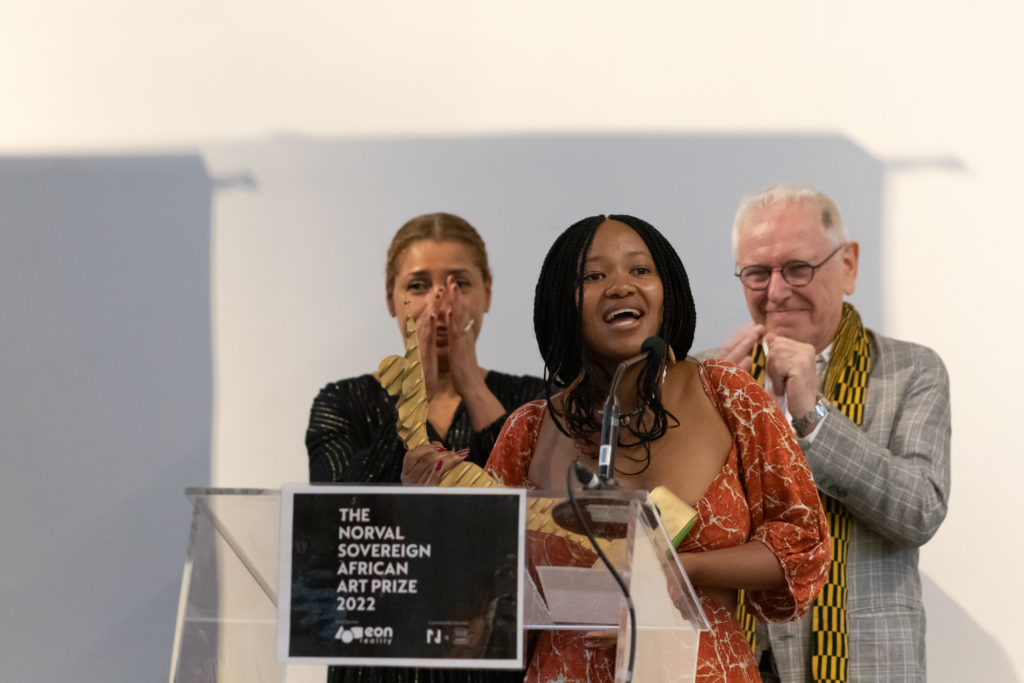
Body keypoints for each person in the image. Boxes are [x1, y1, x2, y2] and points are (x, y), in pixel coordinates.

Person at [409, 214, 831, 682]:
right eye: (593, 276)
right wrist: (432, 511)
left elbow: (801, 543)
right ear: (561, 301)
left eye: (640, 270)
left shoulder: (728, 395)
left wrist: (677, 569)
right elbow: (481, 597)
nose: (620, 286)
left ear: (667, 291)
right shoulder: (529, 429)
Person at [711, 185, 951, 682]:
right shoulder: (712, 377)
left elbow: (920, 511)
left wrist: (812, 415)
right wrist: (705, 415)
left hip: (862, 665)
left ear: (848, 266)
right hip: (735, 657)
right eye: (757, 273)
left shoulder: (911, 370)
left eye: (798, 268)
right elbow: (670, 527)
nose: (776, 291)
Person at [305, 212, 543, 683]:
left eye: (459, 285)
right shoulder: (343, 402)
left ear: (487, 293)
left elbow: (539, 519)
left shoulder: (531, 400)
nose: (440, 304)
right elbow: (335, 525)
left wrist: (471, 382)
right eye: (418, 286)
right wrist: (413, 400)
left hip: (492, 661)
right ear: (391, 299)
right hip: (377, 662)